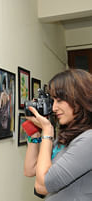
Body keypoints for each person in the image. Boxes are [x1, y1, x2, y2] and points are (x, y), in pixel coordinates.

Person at [24, 69, 92, 200]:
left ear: (80, 99)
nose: (54, 108)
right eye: (53, 101)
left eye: (59, 100)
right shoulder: (69, 137)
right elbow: (30, 170)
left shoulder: (88, 140)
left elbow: (42, 186)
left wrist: (47, 132)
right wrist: (35, 134)